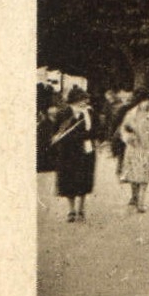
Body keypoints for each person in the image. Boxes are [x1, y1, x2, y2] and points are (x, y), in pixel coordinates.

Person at [50, 88, 96, 222]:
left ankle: (81, 209)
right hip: (67, 153)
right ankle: (71, 210)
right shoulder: (63, 114)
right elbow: (55, 133)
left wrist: (80, 136)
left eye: (85, 100)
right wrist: (76, 137)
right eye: (82, 100)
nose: (85, 103)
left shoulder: (90, 113)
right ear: (74, 101)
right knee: (68, 181)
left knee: (84, 181)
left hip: (85, 151)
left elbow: (96, 131)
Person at [118, 90, 149, 212]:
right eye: (143, 101)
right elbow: (123, 129)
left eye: (148, 101)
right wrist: (127, 137)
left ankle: (141, 202)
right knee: (134, 175)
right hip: (134, 148)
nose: (146, 104)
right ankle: (134, 196)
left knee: (144, 176)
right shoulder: (131, 114)